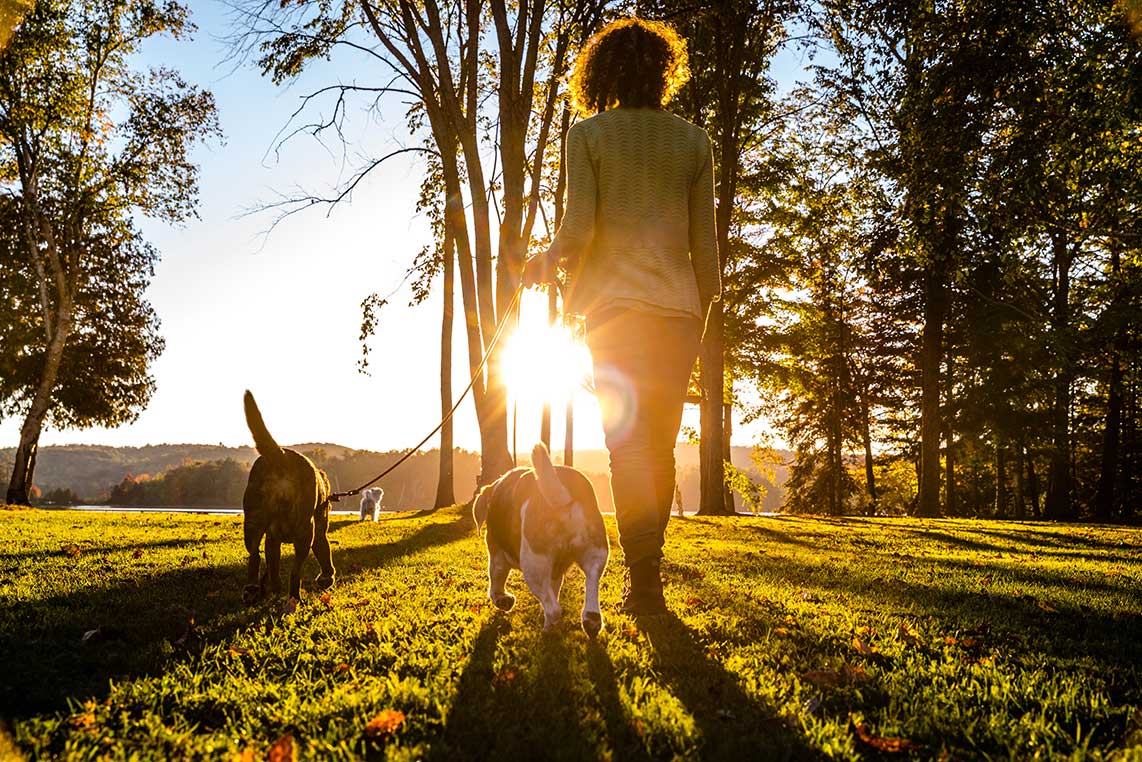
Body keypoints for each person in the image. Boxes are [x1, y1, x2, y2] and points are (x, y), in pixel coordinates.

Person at [523, 17, 720, 615]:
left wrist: (544, 260)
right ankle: (646, 576)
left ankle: (646, 581)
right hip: (679, 312)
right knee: (656, 448)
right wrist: (701, 312)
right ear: (665, 73)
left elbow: (578, 231)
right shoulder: (693, 142)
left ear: (601, 74)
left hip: (614, 313)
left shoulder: (588, 137)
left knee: (627, 448)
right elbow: (706, 250)